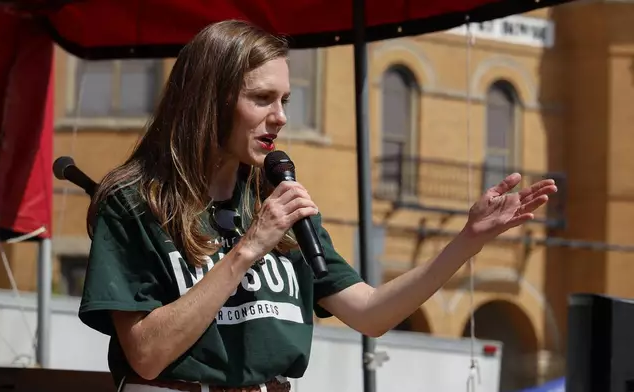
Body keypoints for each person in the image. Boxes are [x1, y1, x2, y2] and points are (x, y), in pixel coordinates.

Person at [78, 19, 558, 392]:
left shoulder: (275, 200)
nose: (280, 117)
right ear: (209, 102)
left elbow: (371, 313)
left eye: (285, 99)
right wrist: (247, 249)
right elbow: (146, 353)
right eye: (262, 98)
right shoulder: (136, 201)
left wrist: (467, 240)